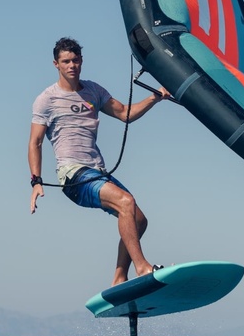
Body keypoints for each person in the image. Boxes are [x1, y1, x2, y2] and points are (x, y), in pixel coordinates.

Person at [28, 37, 170, 286]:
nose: (71, 65)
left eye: (75, 60)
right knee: (126, 202)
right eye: (66, 61)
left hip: (97, 172)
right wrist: (36, 181)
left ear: (81, 61)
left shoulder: (93, 91)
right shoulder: (47, 99)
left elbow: (124, 113)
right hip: (73, 176)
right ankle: (143, 268)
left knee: (138, 220)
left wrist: (155, 97)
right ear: (56, 64)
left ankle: (119, 278)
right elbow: (35, 142)